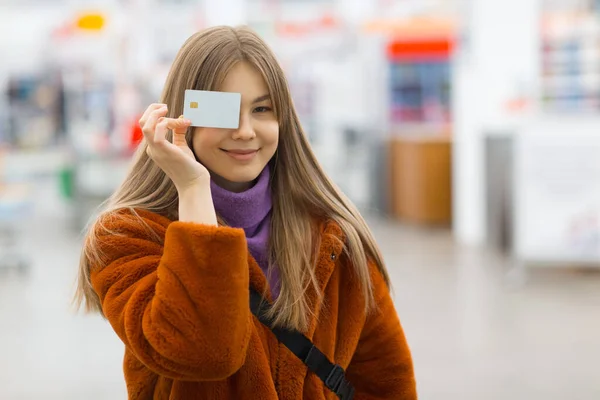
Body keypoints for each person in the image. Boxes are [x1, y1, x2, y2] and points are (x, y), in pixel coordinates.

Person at [74, 25, 417, 400]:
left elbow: (387, 382)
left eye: (262, 109)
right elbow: (204, 352)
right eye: (221, 111)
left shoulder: (334, 237)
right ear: (179, 118)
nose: (244, 131)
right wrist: (191, 188)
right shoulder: (127, 236)